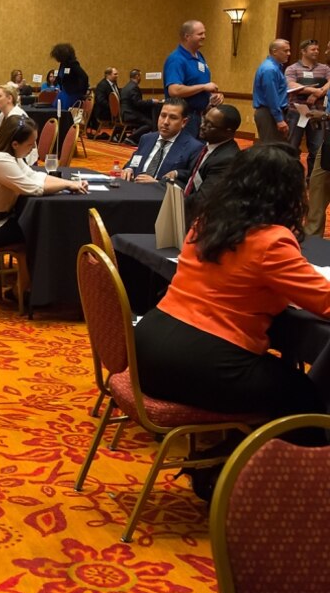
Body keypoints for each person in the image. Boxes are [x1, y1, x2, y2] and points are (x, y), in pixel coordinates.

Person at [134, 142, 329, 427]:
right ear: (288, 193)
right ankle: (278, 467)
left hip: (147, 349)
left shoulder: (206, 221)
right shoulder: (271, 241)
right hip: (198, 362)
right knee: (305, 396)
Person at [0, 117, 86, 262]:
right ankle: (32, 282)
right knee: (41, 230)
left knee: (32, 223)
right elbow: (32, 188)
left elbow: (33, 175)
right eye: (30, 144)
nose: (33, 148)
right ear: (15, 144)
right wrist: (67, 185)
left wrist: (69, 183)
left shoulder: (3, 152)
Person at [164, 20, 224, 139]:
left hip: (200, 116)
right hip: (184, 118)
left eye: (204, 33)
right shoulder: (176, 59)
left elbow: (198, 86)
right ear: (187, 36)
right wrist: (203, 87)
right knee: (184, 154)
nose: (204, 37)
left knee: (198, 153)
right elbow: (174, 91)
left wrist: (212, 99)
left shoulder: (199, 56)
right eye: (200, 34)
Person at [122, 98, 203, 184]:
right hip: (134, 189)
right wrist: (129, 169)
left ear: (184, 122)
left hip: (162, 194)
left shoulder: (194, 147)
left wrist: (157, 184)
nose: (165, 122)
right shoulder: (146, 138)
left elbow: (190, 180)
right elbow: (135, 161)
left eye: (173, 118)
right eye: (163, 115)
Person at [285, 38, 330, 175]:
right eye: (313, 49)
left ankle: (311, 178)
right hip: (296, 112)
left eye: (317, 49)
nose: (317, 51)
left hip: (318, 113)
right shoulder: (292, 68)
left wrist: (317, 94)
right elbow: (291, 85)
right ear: (303, 51)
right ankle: (292, 177)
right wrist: (313, 90)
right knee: (292, 146)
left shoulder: (325, 68)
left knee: (316, 148)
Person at [185, 104, 241, 207]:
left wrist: (173, 202)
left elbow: (203, 199)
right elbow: (195, 175)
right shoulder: (207, 146)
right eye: (204, 120)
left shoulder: (227, 159)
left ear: (227, 132)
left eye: (209, 125)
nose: (202, 126)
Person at [252, 39, 292, 144]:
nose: (289, 54)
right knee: (270, 150)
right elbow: (271, 96)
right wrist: (279, 119)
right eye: (285, 51)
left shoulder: (275, 67)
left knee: (276, 148)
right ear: (274, 51)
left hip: (272, 112)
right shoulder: (270, 69)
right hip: (269, 113)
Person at [119, 69, 157, 144]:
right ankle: (131, 138)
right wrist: (151, 101)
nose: (141, 78)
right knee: (150, 123)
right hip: (130, 114)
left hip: (125, 113)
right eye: (140, 76)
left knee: (146, 118)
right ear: (137, 76)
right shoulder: (133, 87)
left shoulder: (126, 86)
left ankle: (137, 139)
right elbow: (137, 103)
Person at [49, 43, 89, 111]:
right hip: (63, 94)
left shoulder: (73, 64)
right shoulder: (62, 64)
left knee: (66, 115)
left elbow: (84, 77)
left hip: (71, 95)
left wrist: (82, 92)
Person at [89, 67, 119, 137]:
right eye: (115, 74)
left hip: (112, 110)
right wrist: (113, 108)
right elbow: (101, 100)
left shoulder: (114, 84)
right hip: (104, 111)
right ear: (108, 75)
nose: (117, 76)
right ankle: (116, 135)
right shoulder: (102, 85)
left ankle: (118, 135)